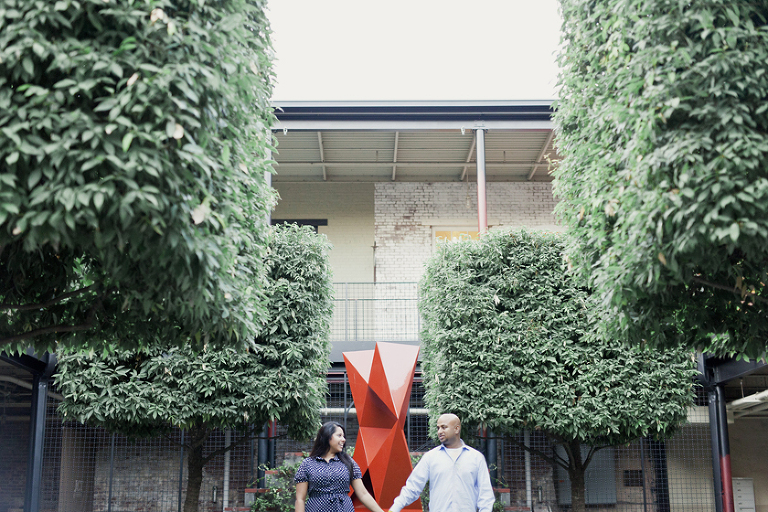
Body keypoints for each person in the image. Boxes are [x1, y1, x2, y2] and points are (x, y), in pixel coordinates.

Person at [388, 413, 495, 512]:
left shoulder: (476, 458)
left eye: (444, 427)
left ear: (457, 429)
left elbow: (485, 495)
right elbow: (413, 487)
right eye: (438, 428)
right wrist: (394, 509)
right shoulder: (430, 457)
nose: (439, 431)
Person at [295, 421, 386, 512]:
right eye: (339, 435)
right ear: (327, 436)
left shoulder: (349, 462)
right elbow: (300, 499)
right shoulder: (307, 464)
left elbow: (363, 494)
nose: (343, 439)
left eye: (343, 436)